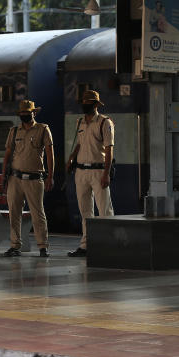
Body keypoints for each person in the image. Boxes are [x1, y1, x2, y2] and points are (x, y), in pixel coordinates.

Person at [2, 100, 54, 258]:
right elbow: (8, 155)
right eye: (22, 114)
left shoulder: (43, 129)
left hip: (34, 178)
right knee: (14, 212)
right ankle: (14, 245)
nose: (24, 116)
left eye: (27, 113)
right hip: (15, 178)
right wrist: (4, 176)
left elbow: (50, 155)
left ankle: (43, 246)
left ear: (34, 113)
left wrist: (50, 176)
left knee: (37, 213)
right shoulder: (14, 131)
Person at [67, 90, 114, 257]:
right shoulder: (80, 122)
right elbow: (81, 143)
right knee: (85, 211)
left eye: (88, 103)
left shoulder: (104, 123)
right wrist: (72, 157)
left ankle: (109, 245)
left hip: (98, 170)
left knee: (104, 210)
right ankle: (86, 246)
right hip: (81, 171)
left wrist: (106, 173)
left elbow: (109, 149)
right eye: (83, 103)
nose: (84, 105)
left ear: (95, 105)